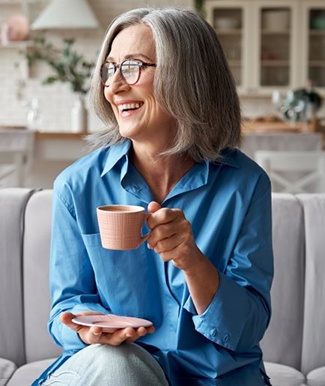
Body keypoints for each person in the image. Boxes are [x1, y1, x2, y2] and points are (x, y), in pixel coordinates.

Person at [33, 7, 273, 386]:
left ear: (188, 76)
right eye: (110, 69)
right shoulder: (77, 186)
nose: (112, 87)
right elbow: (66, 307)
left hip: (216, 378)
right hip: (114, 371)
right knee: (119, 367)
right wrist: (87, 330)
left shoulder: (245, 185)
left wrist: (192, 262)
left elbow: (248, 329)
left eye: (132, 66)